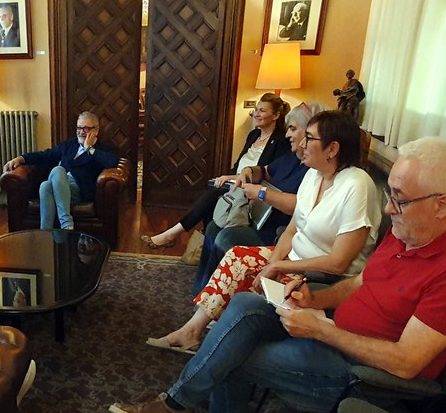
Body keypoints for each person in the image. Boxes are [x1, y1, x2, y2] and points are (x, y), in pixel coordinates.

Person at [110, 136, 446, 413]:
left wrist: (321, 330)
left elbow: (406, 362)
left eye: (399, 199)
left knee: (235, 352)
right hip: (333, 330)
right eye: (390, 195)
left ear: (440, 205)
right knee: (245, 304)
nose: (388, 209)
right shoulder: (404, 233)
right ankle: (180, 406)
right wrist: (313, 299)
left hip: (359, 372)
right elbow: (358, 284)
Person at [148, 108, 380, 353]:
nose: (302, 144)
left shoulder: (357, 185)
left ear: (332, 149)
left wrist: (278, 267)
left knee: (247, 285)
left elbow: (338, 263)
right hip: (292, 260)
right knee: (237, 256)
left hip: (319, 275)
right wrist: (273, 262)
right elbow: (292, 229)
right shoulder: (314, 176)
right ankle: (192, 331)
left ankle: (228, 335)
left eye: (310, 138)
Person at [142, 93, 291, 249]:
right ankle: (203, 247)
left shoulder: (280, 141)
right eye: (256, 109)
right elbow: (238, 166)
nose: (256, 114)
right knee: (213, 192)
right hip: (236, 183)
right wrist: (229, 176)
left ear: (276, 115)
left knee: (213, 195)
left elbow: (269, 174)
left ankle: (173, 235)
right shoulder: (253, 135)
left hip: (252, 189)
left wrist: (232, 178)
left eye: (262, 111)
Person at [3, 111, 118, 231]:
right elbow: (45, 155)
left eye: (86, 128)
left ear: (96, 131)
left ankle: (59, 225)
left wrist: (89, 148)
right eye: (79, 128)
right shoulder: (69, 145)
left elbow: (111, 162)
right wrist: (21, 159)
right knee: (47, 183)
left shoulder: (103, 149)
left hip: (78, 191)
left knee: (50, 179)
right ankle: (54, 231)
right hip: (58, 184)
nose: (81, 132)